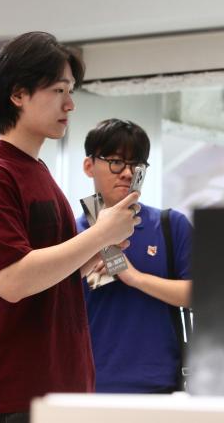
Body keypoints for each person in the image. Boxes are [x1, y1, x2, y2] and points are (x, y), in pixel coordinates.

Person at [0, 32, 140, 422]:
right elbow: (13, 281)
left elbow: (51, 276)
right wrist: (100, 234)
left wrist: (98, 252)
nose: (70, 104)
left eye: (70, 90)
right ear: (18, 94)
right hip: (12, 395)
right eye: (58, 90)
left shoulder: (38, 173)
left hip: (59, 388)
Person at [79, 118, 193, 393]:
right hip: (87, 388)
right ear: (89, 166)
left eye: (137, 164)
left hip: (159, 386)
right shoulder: (70, 234)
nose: (128, 173)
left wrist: (135, 278)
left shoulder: (170, 225)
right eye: (116, 161)